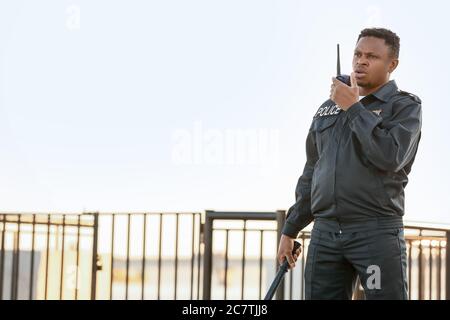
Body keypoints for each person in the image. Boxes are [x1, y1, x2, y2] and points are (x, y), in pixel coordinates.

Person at [277, 28, 422, 300]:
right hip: (325, 234)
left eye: (372, 56)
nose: (361, 61)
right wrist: (290, 228)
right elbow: (312, 172)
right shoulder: (328, 108)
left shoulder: (404, 107)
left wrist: (354, 108)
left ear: (392, 65)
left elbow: (390, 156)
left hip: (375, 233)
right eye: (357, 54)